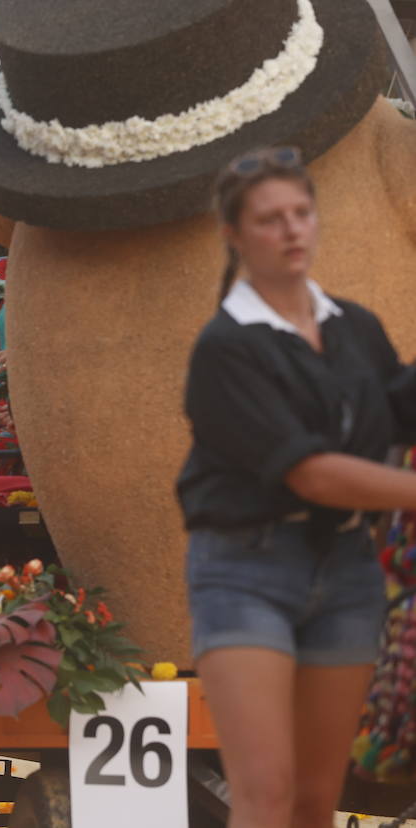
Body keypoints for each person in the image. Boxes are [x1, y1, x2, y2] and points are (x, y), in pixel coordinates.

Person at [177, 148, 416, 828]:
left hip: (346, 571)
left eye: (302, 214)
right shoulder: (225, 348)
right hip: (243, 570)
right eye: (270, 218)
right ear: (233, 233)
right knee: (266, 794)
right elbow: (310, 472)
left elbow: (399, 407)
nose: (292, 230)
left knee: (315, 802)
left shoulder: (355, 326)